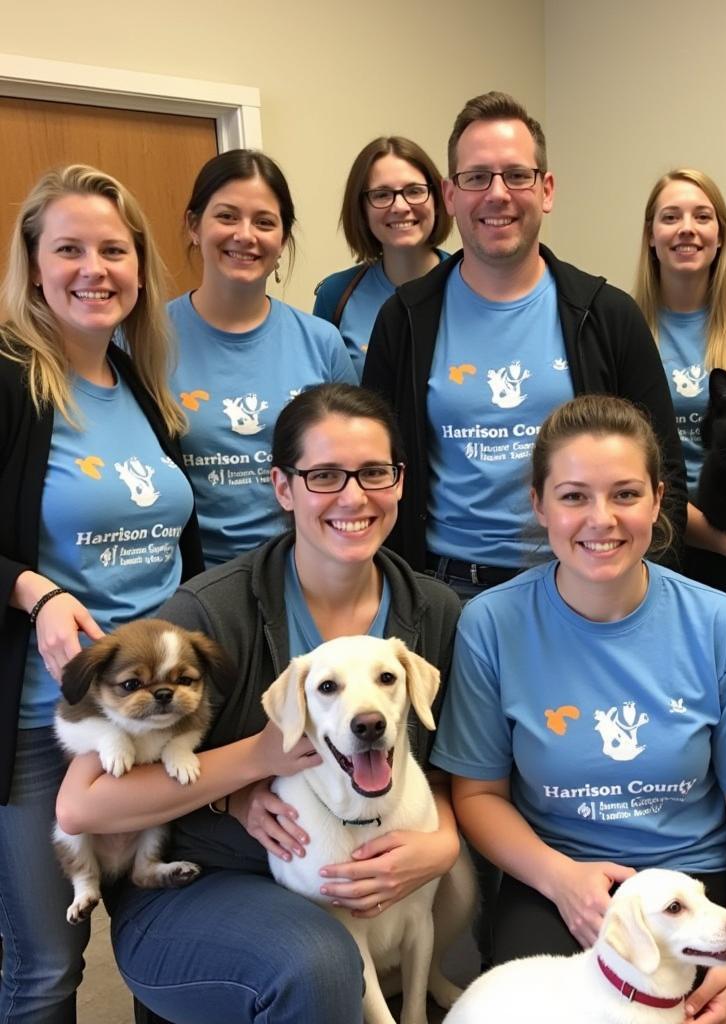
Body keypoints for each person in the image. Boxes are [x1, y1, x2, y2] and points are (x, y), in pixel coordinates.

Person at [55, 383, 462, 1024]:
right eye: (324, 475)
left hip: (358, 866)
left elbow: (438, 766)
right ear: (282, 487)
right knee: (321, 962)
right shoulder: (209, 614)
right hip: (206, 879)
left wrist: (441, 843)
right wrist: (241, 780)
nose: (353, 497)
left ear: (400, 481)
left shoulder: (431, 612)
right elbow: (83, 803)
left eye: (374, 473)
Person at [430, 394, 726, 1023]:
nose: (601, 519)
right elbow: (478, 796)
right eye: (574, 495)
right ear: (539, 503)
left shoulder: (722, 627)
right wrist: (559, 880)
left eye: (625, 494)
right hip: (565, 884)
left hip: (705, 884)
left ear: (660, 500)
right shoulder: (491, 624)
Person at [0, 165, 203, 1023]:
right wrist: (34, 592)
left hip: (162, 716)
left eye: (114, 250)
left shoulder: (142, 383)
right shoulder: (11, 380)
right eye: (70, 249)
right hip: (49, 722)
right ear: (33, 266)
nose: (95, 269)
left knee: (168, 944)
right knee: (49, 965)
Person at [362, 92, 685, 597]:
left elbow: (665, 473)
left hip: (581, 587)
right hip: (445, 593)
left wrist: (637, 598)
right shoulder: (404, 319)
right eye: (476, 177)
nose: (497, 194)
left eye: (517, 175)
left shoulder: (606, 315)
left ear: (546, 188)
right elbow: (375, 474)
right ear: (450, 195)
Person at [170, 149, 358, 567]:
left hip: (304, 573)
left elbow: (353, 466)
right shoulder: (146, 342)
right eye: (226, 216)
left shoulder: (321, 342)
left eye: (264, 222)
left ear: (283, 239)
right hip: (193, 582)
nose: (245, 234)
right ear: (194, 226)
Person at [634, 168, 726, 490]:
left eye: (702, 217)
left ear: (720, 236)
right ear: (651, 234)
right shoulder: (624, 323)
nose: (687, 229)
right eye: (671, 217)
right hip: (650, 517)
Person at [313, 136, 452, 379]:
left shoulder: (471, 283)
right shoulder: (336, 295)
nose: (400, 206)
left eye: (415, 191)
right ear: (362, 210)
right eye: (382, 195)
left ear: (438, 200)